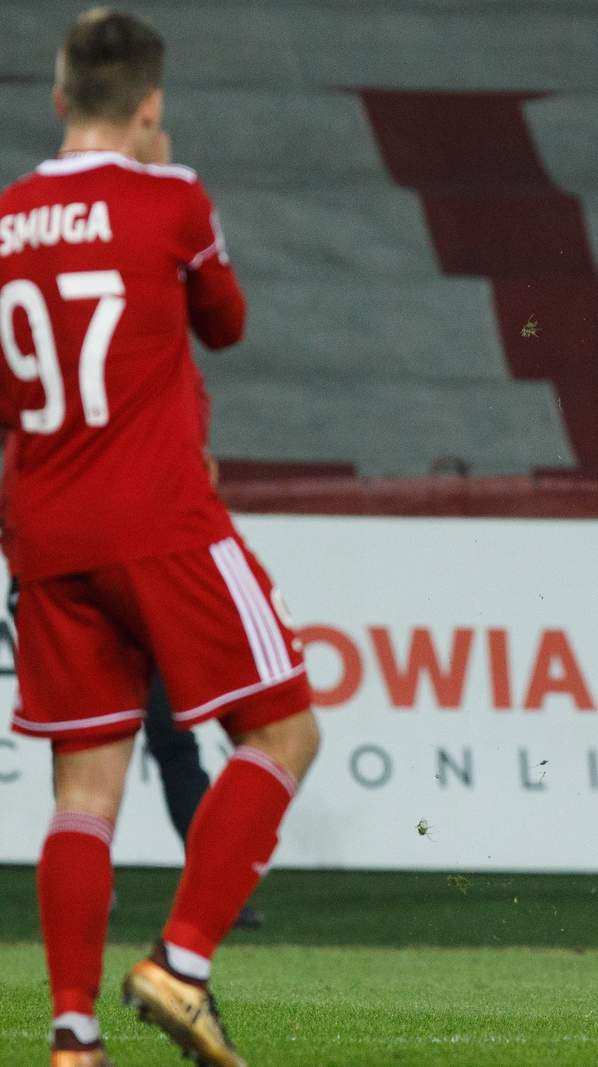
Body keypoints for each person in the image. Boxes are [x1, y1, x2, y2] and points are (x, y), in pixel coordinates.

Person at [0, 11, 318, 1066]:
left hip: (44, 530)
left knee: (82, 793)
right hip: (157, 517)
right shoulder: (171, 196)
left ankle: (73, 1036)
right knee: (283, 734)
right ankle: (181, 965)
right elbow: (223, 322)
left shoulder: (5, 221)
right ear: (150, 108)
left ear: (57, 102)